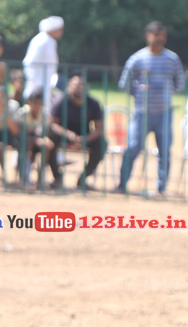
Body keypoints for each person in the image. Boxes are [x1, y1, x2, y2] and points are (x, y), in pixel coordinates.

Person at [116, 21, 185, 196]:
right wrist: (139, 92)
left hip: (164, 112)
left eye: (163, 35)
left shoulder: (172, 59)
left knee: (165, 151)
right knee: (133, 148)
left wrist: (166, 92)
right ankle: (122, 185)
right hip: (141, 112)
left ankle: (161, 188)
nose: (160, 38)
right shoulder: (137, 58)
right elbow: (124, 83)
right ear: (148, 36)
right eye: (156, 35)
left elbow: (179, 83)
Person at [46, 72, 105, 191]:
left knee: (102, 143)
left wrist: (85, 139)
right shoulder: (60, 101)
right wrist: (69, 135)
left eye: (83, 85)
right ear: (69, 86)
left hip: (85, 136)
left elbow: (99, 128)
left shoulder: (93, 103)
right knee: (49, 139)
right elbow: (52, 125)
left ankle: (82, 179)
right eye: (77, 85)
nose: (80, 87)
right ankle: (57, 177)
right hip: (63, 135)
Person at [19, 88, 56, 192]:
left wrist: (40, 139)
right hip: (25, 142)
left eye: (40, 103)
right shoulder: (23, 112)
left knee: (47, 146)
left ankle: (40, 180)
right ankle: (26, 179)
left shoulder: (44, 113)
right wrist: (35, 139)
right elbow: (21, 131)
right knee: (27, 143)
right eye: (35, 103)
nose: (37, 106)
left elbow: (44, 131)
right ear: (29, 102)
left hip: (38, 140)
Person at [23, 15, 63, 110]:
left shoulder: (51, 41)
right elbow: (29, 62)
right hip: (38, 84)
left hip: (46, 83)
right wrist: (36, 83)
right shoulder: (41, 40)